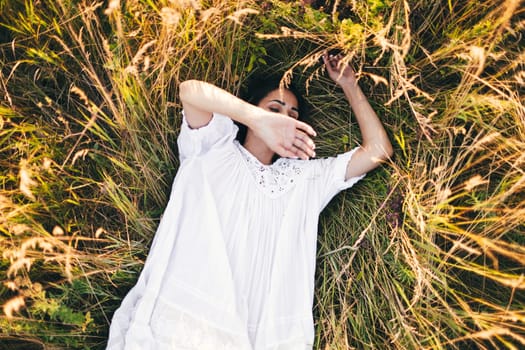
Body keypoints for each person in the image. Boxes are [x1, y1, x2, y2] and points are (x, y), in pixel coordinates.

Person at [106, 52, 393, 350]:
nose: (285, 119)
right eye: (275, 108)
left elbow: (378, 150)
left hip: (259, 335)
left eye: (293, 115)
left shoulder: (305, 180)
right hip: (186, 319)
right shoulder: (213, 146)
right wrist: (258, 119)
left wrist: (349, 84)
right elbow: (190, 91)